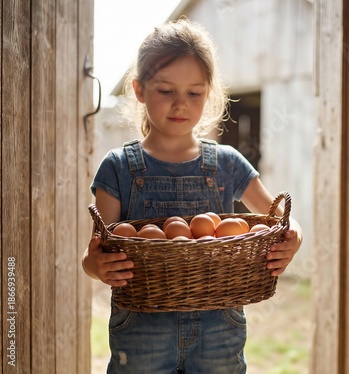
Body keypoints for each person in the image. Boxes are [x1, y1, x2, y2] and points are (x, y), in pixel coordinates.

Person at [82, 17, 302, 374]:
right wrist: (96, 266)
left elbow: (281, 220)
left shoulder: (227, 164)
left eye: (194, 93)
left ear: (208, 94)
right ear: (139, 90)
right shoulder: (119, 167)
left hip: (219, 330)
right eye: (166, 91)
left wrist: (293, 240)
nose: (180, 104)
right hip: (142, 333)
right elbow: (96, 252)